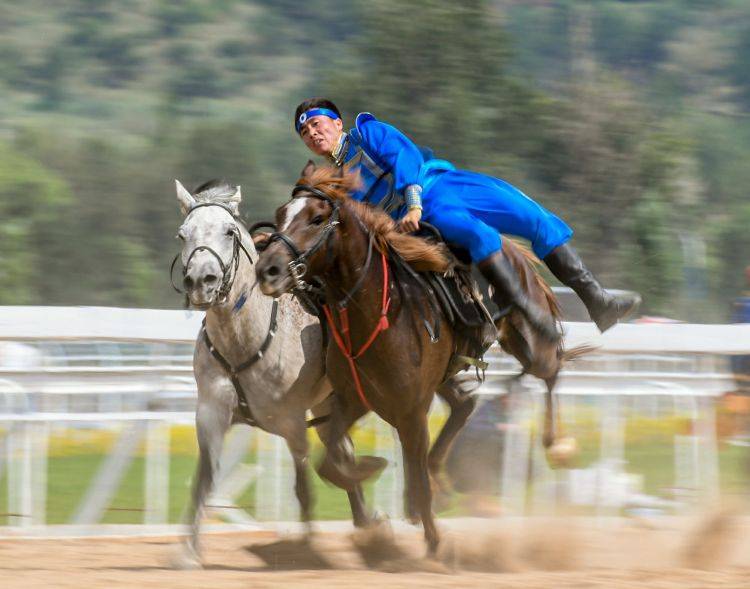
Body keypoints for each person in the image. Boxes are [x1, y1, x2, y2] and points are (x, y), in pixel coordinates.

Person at [293, 98, 641, 339]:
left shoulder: (368, 133)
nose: (312, 134)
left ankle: (599, 302)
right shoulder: (333, 185)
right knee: (475, 233)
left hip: (439, 184)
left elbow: (405, 156)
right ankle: (526, 313)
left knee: (534, 217)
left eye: (316, 124)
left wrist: (412, 200)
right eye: (305, 133)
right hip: (419, 221)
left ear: (337, 123)